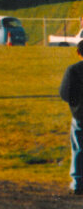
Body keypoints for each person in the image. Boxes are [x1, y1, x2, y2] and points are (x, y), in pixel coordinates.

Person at [60, 42, 83, 194]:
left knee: (78, 148)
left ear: (78, 52)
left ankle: (77, 183)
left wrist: (76, 103)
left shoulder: (73, 70)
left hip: (80, 113)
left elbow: (64, 93)